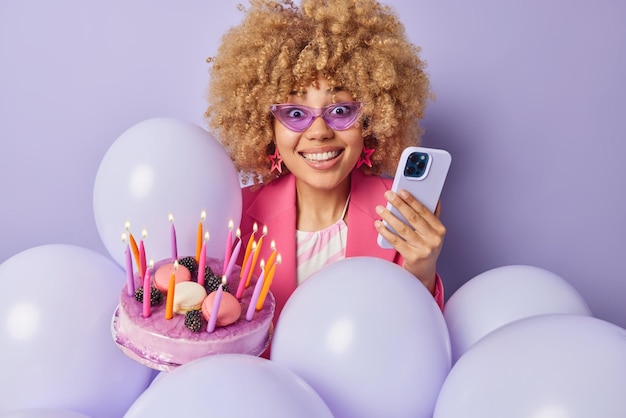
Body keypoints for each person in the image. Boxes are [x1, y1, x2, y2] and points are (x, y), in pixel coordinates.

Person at [205, 0, 446, 324]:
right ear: (266, 126)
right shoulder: (233, 216)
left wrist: (422, 271)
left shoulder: (402, 212)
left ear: (371, 119)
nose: (319, 132)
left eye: (341, 110)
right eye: (294, 113)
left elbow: (415, 343)